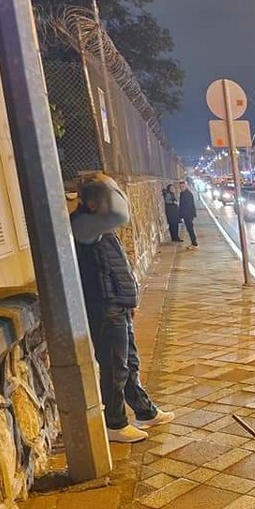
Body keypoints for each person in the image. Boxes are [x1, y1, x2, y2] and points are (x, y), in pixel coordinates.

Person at [71, 174, 174, 443]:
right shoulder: (84, 225)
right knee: (115, 368)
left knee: (129, 364)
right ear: (93, 204)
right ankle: (115, 424)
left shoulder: (97, 226)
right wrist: (106, 182)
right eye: (109, 195)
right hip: (105, 306)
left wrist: (128, 302)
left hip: (117, 304)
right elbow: (121, 213)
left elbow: (116, 267)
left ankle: (145, 411)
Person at [178, 180, 198, 249]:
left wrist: (186, 214)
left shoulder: (188, 194)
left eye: (183, 186)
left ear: (186, 186)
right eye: (180, 187)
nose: (182, 188)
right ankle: (193, 242)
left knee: (190, 229)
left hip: (188, 214)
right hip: (186, 214)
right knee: (189, 229)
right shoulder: (182, 193)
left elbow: (189, 205)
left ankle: (194, 243)